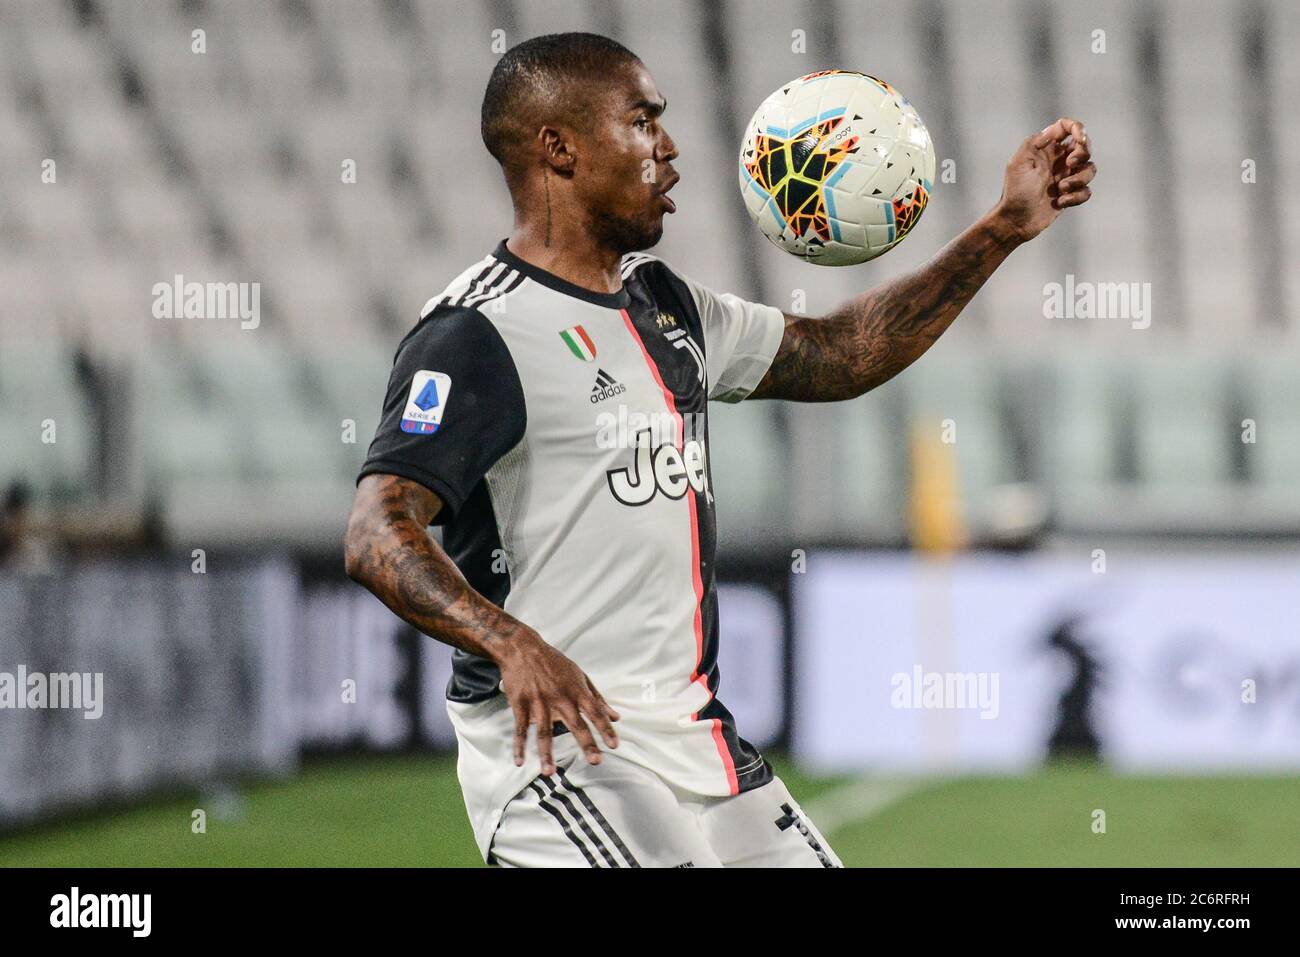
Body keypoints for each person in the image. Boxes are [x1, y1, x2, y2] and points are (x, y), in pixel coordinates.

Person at [343, 32, 1095, 867]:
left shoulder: (668, 306)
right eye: (641, 120)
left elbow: (841, 354)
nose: (668, 148)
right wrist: (510, 641)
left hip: (701, 743)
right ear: (559, 148)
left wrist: (1002, 229)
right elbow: (377, 531)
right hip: (561, 753)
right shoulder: (478, 333)